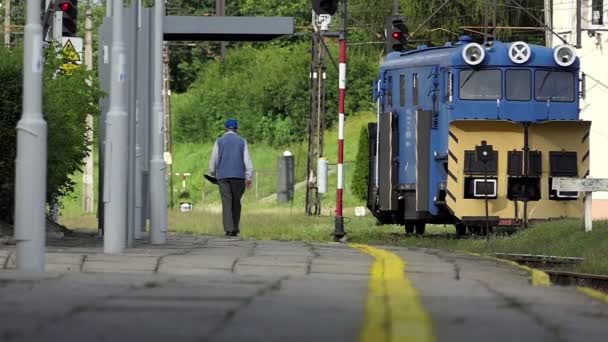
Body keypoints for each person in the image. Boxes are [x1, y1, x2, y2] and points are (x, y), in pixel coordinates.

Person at [208, 118, 254, 237]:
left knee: (226, 202)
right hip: (238, 177)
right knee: (236, 202)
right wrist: (249, 176)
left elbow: (214, 159)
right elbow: (247, 160)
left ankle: (229, 229)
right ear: (237, 129)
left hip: (223, 177)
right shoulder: (242, 141)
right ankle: (236, 227)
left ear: (225, 128)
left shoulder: (219, 141)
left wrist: (213, 173)